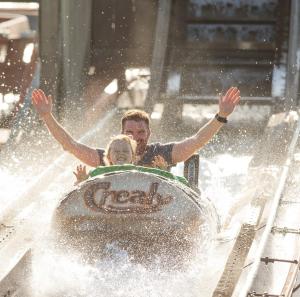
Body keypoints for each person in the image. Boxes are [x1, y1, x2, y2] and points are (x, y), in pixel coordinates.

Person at [31, 87, 240, 168]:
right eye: (130, 133)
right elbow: (70, 145)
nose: (136, 137)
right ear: (122, 134)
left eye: (141, 132)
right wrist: (47, 116)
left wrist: (221, 116)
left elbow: (196, 142)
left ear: (149, 134)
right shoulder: (107, 158)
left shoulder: (162, 153)